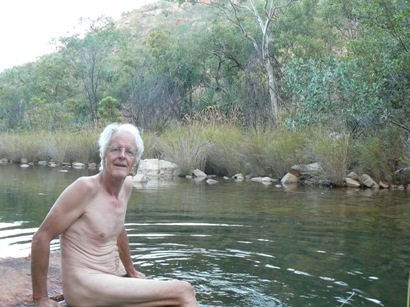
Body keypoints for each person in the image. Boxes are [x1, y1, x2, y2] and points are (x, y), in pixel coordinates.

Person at [31, 123, 198, 307]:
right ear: (103, 155)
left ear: (135, 161)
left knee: (170, 302)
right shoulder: (85, 188)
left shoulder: (127, 186)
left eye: (129, 152)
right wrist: (41, 299)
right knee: (183, 291)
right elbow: (41, 237)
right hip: (83, 287)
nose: (122, 156)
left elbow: (118, 227)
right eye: (115, 149)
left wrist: (131, 270)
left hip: (108, 281)